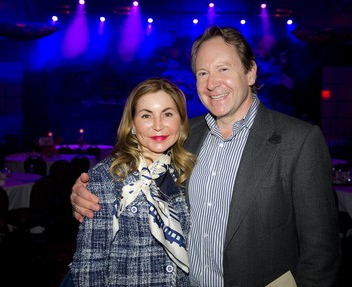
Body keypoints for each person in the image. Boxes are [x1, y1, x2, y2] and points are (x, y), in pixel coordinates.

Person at [70, 26, 341, 286]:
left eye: (223, 69)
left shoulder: (299, 140)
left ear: (250, 72)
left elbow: (321, 253)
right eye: (202, 73)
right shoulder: (184, 136)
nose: (212, 83)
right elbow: (136, 169)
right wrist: (88, 192)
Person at [70, 77, 196, 286]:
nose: (158, 125)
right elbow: (89, 264)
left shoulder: (187, 172)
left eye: (167, 114)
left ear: (181, 121)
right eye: (146, 115)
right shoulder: (107, 176)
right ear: (133, 125)